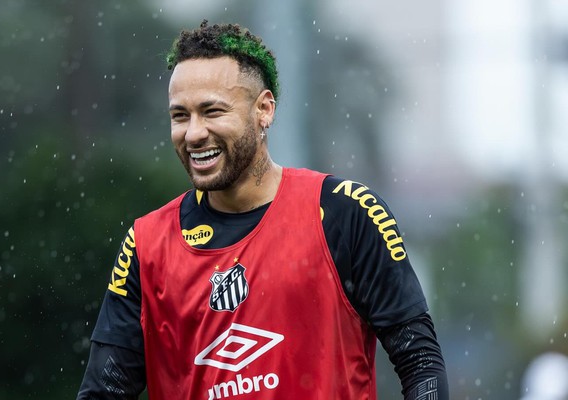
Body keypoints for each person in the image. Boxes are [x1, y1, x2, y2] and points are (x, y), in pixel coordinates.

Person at [77, 20, 448, 400]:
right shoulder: (147, 243)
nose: (193, 133)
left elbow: (420, 362)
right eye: (180, 116)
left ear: (264, 110)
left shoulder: (345, 212)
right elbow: (103, 392)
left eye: (212, 111)